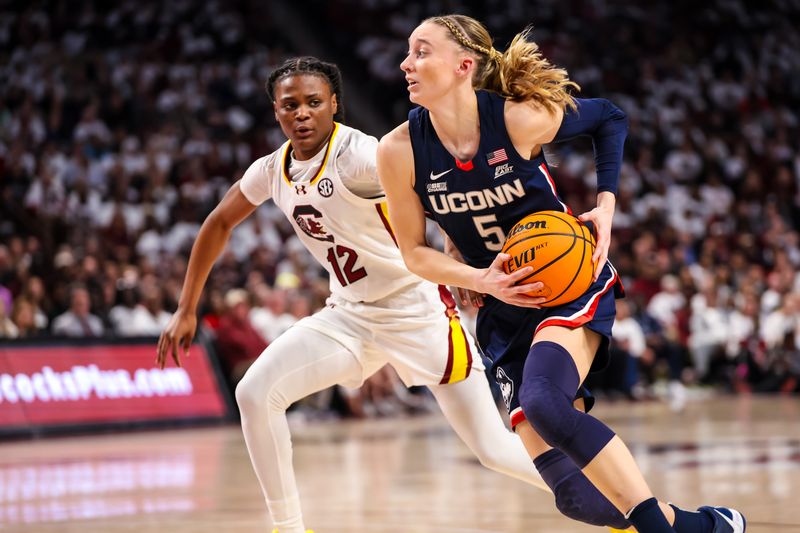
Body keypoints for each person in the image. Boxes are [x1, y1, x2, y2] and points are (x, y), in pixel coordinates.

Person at [156, 56, 626, 533]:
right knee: (255, 393)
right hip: (350, 315)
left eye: (313, 103)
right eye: (289, 105)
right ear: (275, 111)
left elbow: (441, 185)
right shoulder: (270, 170)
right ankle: (288, 528)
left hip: (419, 312)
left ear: (334, 105)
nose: (301, 113)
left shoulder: (361, 155)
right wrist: (185, 308)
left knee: (493, 449)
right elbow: (218, 222)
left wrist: (461, 254)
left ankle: (622, 509)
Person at [377, 14, 746, 533]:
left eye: (421, 51)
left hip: (566, 285)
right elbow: (413, 253)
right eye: (407, 52)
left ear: (464, 65)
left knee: (545, 402)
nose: (405, 63)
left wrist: (607, 204)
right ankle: (704, 526)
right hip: (499, 310)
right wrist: (482, 278)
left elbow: (609, 118)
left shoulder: (517, 120)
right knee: (576, 498)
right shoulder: (397, 150)